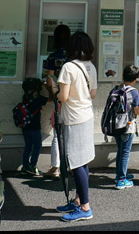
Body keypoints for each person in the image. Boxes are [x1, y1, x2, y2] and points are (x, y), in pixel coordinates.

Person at [55, 32, 98, 222]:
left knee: (77, 162)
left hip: (74, 119)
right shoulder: (91, 67)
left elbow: (63, 97)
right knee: (84, 160)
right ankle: (78, 200)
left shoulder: (68, 67)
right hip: (87, 116)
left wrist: (54, 91)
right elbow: (93, 93)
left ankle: (85, 208)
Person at [43, 24, 71, 179]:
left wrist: (51, 96)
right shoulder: (74, 56)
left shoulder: (53, 56)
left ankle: (55, 168)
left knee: (57, 133)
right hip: (73, 99)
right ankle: (72, 166)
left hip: (60, 98)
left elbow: (50, 80)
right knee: (71, 133)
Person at [113, 65, 139, 190]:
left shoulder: (116, 89)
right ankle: (121, 180)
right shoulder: (133, 92)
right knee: (125, 152)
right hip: (127, 126)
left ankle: (119, 174)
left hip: (115, 125)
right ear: (135, 79)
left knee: (120, 150)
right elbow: (136, 110)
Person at [20, 77, 49, 176]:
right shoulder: (38, 99)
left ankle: (25, 166)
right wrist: (47, 87)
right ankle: (33, 166)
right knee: (37, 146)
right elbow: (52, 98)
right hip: (35, 128)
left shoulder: (24, 98)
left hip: (25, 127)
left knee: (28, 147)